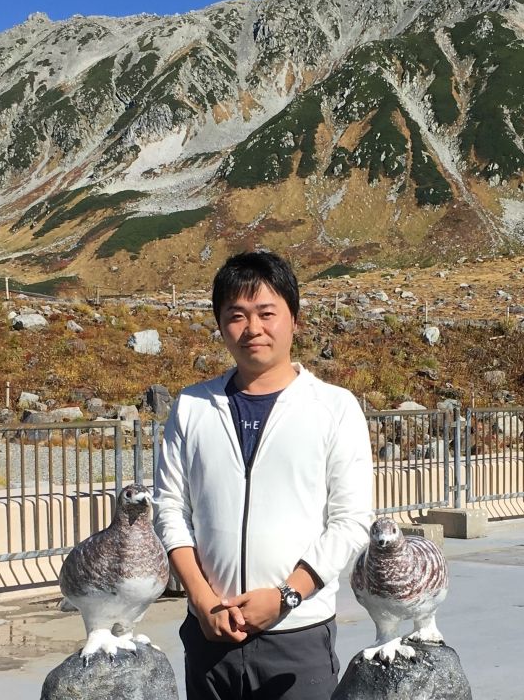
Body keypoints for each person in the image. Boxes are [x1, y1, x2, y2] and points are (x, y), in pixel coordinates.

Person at [153, 251, 373, 700]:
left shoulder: (333, 408)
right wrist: (201, 600)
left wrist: (287, 596)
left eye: (266, 313)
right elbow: (170, 509)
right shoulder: (192, 406)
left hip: (298, 635)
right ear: (220, 324)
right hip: (210, 635)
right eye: (236, 315)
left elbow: (350, 521)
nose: (252, 328)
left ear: (294, 319)